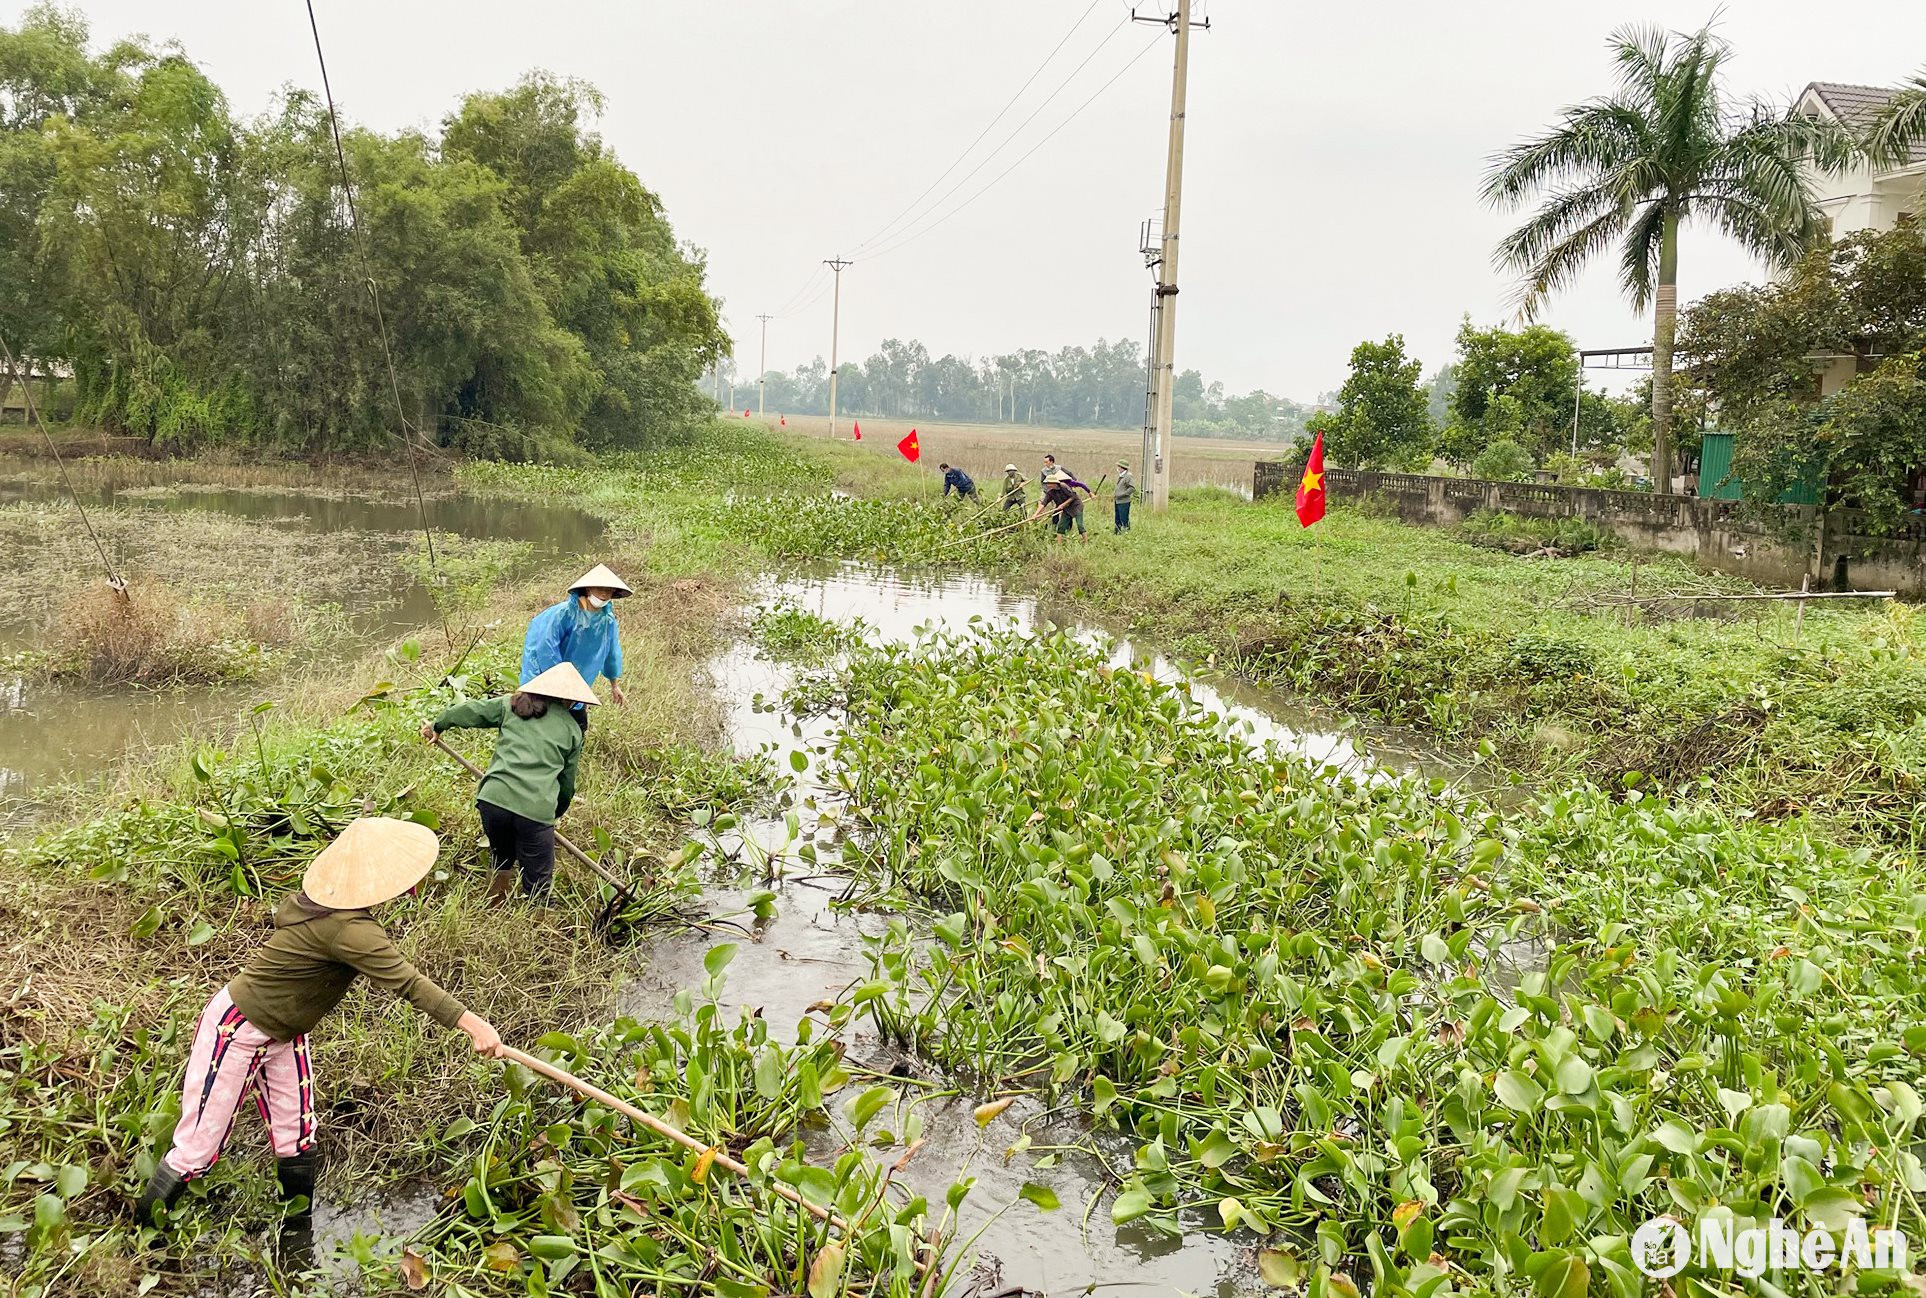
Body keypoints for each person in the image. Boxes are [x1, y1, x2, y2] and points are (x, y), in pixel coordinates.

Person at [136, 818, 503, 1224]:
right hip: (237, 1028)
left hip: (284, 1033)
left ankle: (297, 1233)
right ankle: (142, 1238)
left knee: (297, 1138)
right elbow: (409, 983)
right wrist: (474, 1024)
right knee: (197, 1149)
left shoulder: (323, 905)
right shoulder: (348, 929)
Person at [423, 662, 596, 902]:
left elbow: (470, 711)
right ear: (570, 700)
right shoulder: (572, 730)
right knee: (539, 880)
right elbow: (566, 786)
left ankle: (495, 904)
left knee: (501, 855)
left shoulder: (510, 705)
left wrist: (438, 725)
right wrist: (551, 817)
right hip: (535, 810)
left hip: (493, 802)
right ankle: (540, 928)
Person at [521, 564, 630, 732]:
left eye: (608, 590)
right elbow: (546, 648)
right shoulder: (563, 614)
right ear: (588, 588)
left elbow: (611, 652)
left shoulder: (607, 621)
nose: (603, 594)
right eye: (600, 588)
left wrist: (614, 685)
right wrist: (559, 684)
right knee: (543, 729)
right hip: (547, 682)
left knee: (577, 731)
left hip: (577, 688)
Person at [1030, 469, 1088, 542]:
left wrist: (1063, 505)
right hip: (1066, 509)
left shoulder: (1063, 487)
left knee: (1080, 526)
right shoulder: (1050, 492)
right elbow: (1043, 504)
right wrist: (1035, 515)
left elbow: (1073, 497)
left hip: (1076, 506)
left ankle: (1086, 542)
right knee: (1060, 527)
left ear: (1054, 483)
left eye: (1048, 483)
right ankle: (1059, 545)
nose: (1047, 485)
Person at [1113, 461, 1136, 534]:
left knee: (1124, 518)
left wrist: (1123, 494)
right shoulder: (1121, 475)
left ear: (1122, 467)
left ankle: (1126, 532)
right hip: (1117, 501)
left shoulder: (1128, 476)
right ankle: (1117, 532)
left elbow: (1132, 488)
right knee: (1117, 518)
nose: (1117, 468)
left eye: (1119, 466)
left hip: (1124, 501)